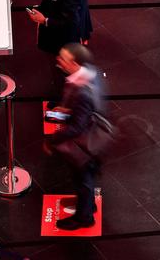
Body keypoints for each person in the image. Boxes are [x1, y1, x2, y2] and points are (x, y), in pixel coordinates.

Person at [44, 43, 105, 231]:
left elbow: (77, 127)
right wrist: (68, 110)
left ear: (75, 64)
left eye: (63, 59)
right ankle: (88, 205)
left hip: (85, 145)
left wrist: (53, 140)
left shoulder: (83, 92)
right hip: (93, 137)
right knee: (85, 179)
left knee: (82, 180)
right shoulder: (90, 74)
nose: (58, 60)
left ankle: (83, 217)